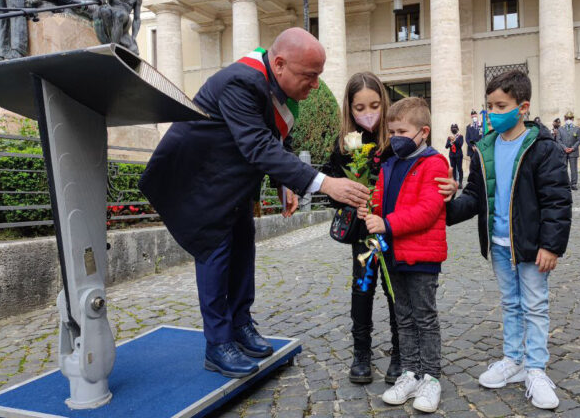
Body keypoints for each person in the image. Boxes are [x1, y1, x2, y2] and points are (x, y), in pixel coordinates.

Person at [139, 28, 371, 378]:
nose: (315, 86)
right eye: (310, 77)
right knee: (215, 254)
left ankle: (240, 323)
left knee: (244, 247)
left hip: (232, 185)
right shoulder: (241, 82)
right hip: (199, 181)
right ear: (279, 64)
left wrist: (284, 183)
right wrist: (325, 184)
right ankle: (218, 344)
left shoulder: (275, 86)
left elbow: (272, 139)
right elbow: (258, 146)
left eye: (318, 76)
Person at [445, 70, 572, 410]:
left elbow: (557, 201)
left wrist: (551, 245)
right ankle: (513, 359)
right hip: (499, 244)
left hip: (532, 245)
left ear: (522, 107)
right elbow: (475, 196)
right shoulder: (484, 147)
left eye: (500, 105)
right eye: (489, 106)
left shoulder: (543, 148)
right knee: (511, 303)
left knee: (534, 305)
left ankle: (535, 368)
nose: (492, 113)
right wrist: (444, 207)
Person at [360, 97, 449, 413]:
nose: (394, 136)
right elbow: (380, 202)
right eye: (391, 129)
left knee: (425, 316)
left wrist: (386, 223)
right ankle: (410, 373)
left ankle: (431, 377)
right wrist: (368, 209)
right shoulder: (389, 164)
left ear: (423, 132)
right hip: (393, 254)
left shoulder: (435, 164)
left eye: (401, 130)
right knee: (403, 316)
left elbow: (428, 210)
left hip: (422, 256)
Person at [323, 72, 399, 385]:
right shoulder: (349, 143)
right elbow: (328, 183)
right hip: (363, 234)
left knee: (396, 290)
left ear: (384, 104)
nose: (368, 113)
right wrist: (349, 197)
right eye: (359, 108)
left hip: (395, 230)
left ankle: (400, 351)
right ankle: (361, 352)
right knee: (362, 287)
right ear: (349, 110)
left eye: (374, 105)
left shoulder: (396, 138)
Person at [556, 111, 580, 190]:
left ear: (573, 119)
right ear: (564, 119)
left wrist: (573, 148)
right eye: (567, 118)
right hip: (564, 152)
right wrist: (565, 148)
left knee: (574, 169)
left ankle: (573, 183)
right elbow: (558, 140)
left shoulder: (577, 128)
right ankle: (565, 183)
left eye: (570, 118)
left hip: (573, 151)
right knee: (564, 168)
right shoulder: (560, 129)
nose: (568, 120)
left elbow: (579, 140)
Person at [445, 124, 464, 188]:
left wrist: (454, 140)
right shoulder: (449, 137)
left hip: (458, 155)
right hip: (452, 156)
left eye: (455, 128)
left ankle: (460, 183)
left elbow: (460, 145)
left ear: (457, 129)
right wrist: (450, 142)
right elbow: (446, 146)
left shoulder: (460, 136)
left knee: (459, 169)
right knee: (453, 169)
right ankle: (454, 182)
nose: (453, 129)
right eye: (452, 128)